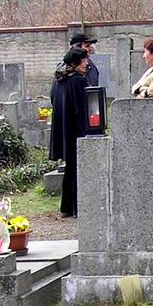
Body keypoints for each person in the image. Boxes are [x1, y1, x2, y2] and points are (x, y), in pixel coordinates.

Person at [49, 48, 90, 217]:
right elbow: (82, 108)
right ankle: (77, 207)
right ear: (74, 63)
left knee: (70, 168)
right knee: (76, 170)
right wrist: (88, 132)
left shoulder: (59, 80)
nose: (86, 64)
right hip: (76, 131)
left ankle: (66, 207)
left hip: (63, 130)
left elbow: (53, 101)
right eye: (83, 61)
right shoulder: (77, 81)